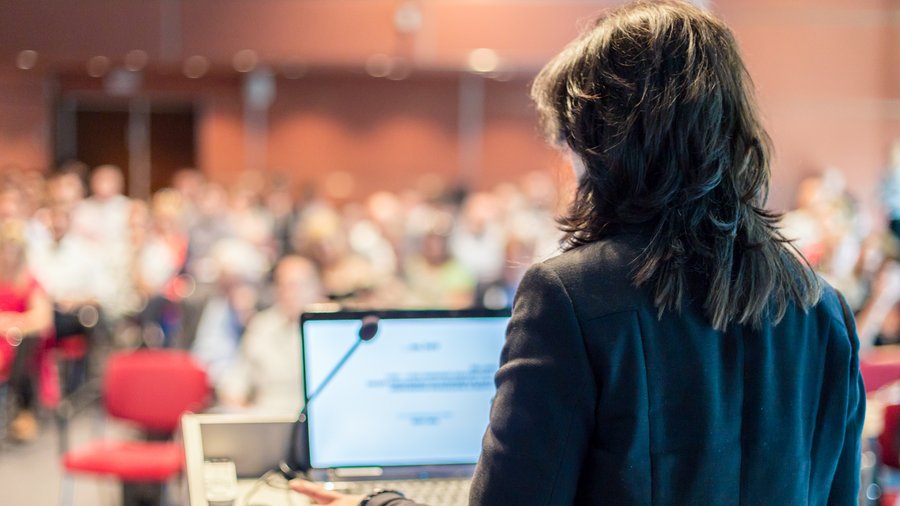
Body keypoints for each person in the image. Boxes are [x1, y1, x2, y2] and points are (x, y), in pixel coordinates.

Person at [291, 1, 864, 504]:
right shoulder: (824, 310)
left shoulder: (568, 298)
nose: (570, 168)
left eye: (570, 146)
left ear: (607, 148)